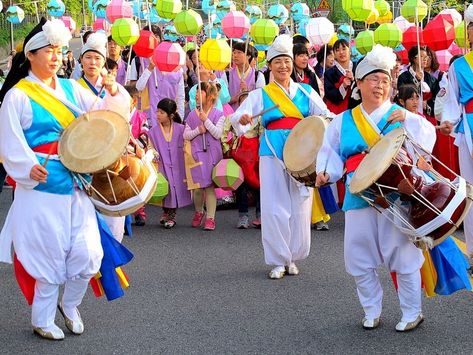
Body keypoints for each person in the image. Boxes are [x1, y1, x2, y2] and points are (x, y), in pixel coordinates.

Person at [0, 18, 130, 340]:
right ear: (31, 54)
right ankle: (42, 318)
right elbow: (10, 139)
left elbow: (101, 119)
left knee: (88, 253)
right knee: (49, 252)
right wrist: (27, 166)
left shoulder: (72, 88)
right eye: (49, 50)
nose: (56, 56)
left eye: (59, 51)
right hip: (43, 183)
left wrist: (113, 94)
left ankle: (70, 305)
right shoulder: (17, 95)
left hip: (78, 179)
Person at [316, 44, 436, 331]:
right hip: (359, 194)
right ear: (358, 83)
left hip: (395, 194)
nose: (380, 86)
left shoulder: (399, 114)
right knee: (359, 255)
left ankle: (411, 311)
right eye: (373, 79)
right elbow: (330, 154)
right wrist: (325, 172)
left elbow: (426, 137)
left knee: (402, 253)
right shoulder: (343, 120)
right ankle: (371, 310)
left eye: (385, 80)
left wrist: (408, 117)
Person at [231, 34, 334, 279]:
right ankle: (278, 260)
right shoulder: (260, 94)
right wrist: (243, 119)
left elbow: (326, 115)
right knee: (274, 207)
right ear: (270, 65)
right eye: (278, 62)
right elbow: (238, 119)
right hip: (272, 151)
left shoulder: (307, 91)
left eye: (287, 61)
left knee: (301, 205)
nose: (283, 66)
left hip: (302, 152)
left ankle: (293, 257)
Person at [76, 33, 131, 242]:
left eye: (97, 58)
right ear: (81, 60)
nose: (92, 62)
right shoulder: (72, 88)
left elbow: (121, 116)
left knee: (112, 217)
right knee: (84, 219)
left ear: (103, 62)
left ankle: (110, 270)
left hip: (109, 157)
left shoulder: (113, 88)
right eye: (88, 57)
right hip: (83, 159)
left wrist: (113, 90)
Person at [439, 18, 473, 272]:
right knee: (471, 191)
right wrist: (449, 121)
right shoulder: (458, 66)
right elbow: (452, 101)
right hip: (468, 129)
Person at [184, 82, 224, 231]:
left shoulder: (218, 114)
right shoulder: (192, 114)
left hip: (212, 155)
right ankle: (199, 212)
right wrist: (197, 130)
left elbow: (218, 133)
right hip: (196, 155)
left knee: (209, 187)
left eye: (200, 92)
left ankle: (210, 218)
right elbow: (186, 134)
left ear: (209, 96)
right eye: (196, 92)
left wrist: (206, 121)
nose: (196, 94)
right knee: (198, 188)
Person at [148, 98, 192, 228]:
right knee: (164, 187)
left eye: (161, 112)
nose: (158, 115)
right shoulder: (153, 132)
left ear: (171, 115)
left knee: (176, 187)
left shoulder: (181, 129)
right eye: (157, 112)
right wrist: (153, 153)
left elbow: (188, 143)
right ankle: (166, 212)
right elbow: (150, 146)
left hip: (178, 164)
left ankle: (171, 215)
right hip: (161, 164)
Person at [397, 46, 440, 117]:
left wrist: (427, 104)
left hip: (427, 116)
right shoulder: (403, 77)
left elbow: (437, 97)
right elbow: (402, 96)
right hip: (408, 115)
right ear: (413, 58)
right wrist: (416, 81)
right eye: (421, 56)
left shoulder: (432, 79)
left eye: (426, 57)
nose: (425, 59)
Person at [222, 41, 266, 111]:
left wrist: (246, 92)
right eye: (234, 52)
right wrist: (234, 98)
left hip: (251, 117)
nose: (235, 55)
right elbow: (222, 100)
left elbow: (260, 100)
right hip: (231, 116)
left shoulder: (258, 76)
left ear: (248, 56)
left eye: (239, 52)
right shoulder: (227, 75)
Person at [323, 39, 356, 114]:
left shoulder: (357, 67)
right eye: (337, 50)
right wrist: (343, 86)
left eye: (344, 49)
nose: (341, 52)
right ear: (334, 54)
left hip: (356, 110)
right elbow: (330, 95)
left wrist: (353, 80)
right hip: (338, 112)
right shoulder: (329, 73)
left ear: (350, 51)